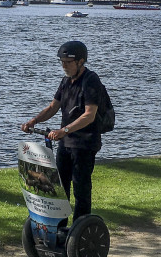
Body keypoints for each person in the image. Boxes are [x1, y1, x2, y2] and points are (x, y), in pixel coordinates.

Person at [21, 41, 105, 221]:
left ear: (81, 61)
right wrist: (34, 121)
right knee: (60, 189)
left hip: (84, 144)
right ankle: (59, 229)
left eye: (68, 62)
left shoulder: (91, 81)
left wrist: (64, 130)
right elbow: (53, 107)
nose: (64, 66)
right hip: (65, 144)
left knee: (81, 189)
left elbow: (89, 115)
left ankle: (80, 230)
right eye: (62, 62)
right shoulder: (66, 81)